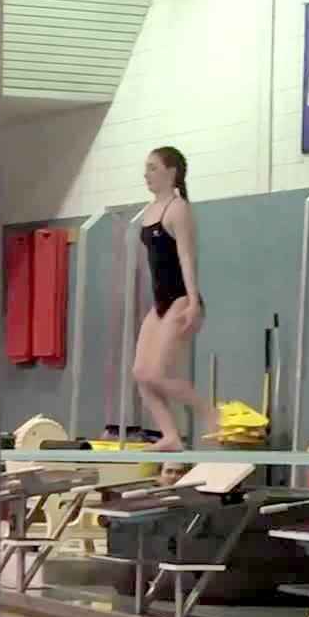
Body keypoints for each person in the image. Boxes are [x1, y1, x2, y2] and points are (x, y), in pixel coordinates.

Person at [131, 146, 217, 452]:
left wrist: (193, 302)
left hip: (180, 297)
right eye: (146, 167)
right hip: (159, 302)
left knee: (158, 373)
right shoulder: (149, 210)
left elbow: (187, 258)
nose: (147, 174)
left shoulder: (178, 209)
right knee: (141, 374)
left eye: (153, 167)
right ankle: (171, 436)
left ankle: (209, 412)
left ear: (171, 172)